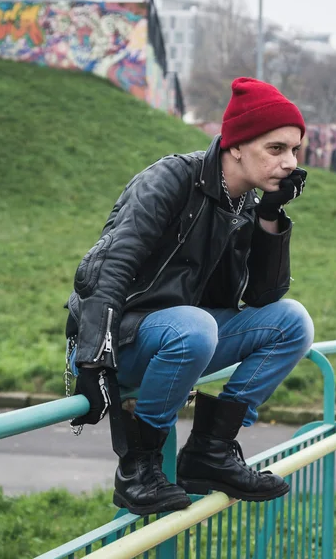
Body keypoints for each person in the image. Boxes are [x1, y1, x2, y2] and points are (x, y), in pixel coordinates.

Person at [64, 77, 315, 516]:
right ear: (236, 145)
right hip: (118, 340)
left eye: (294, 151)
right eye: (276, 149)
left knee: (292, 321)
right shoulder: (172, 178)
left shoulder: (245, 205)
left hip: (183, 342)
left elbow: (264, 297)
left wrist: (271, 219)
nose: (289, 163)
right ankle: (138, 467)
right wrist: (93, 356)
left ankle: (210, 452)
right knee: (194, 327)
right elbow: (112, 265)